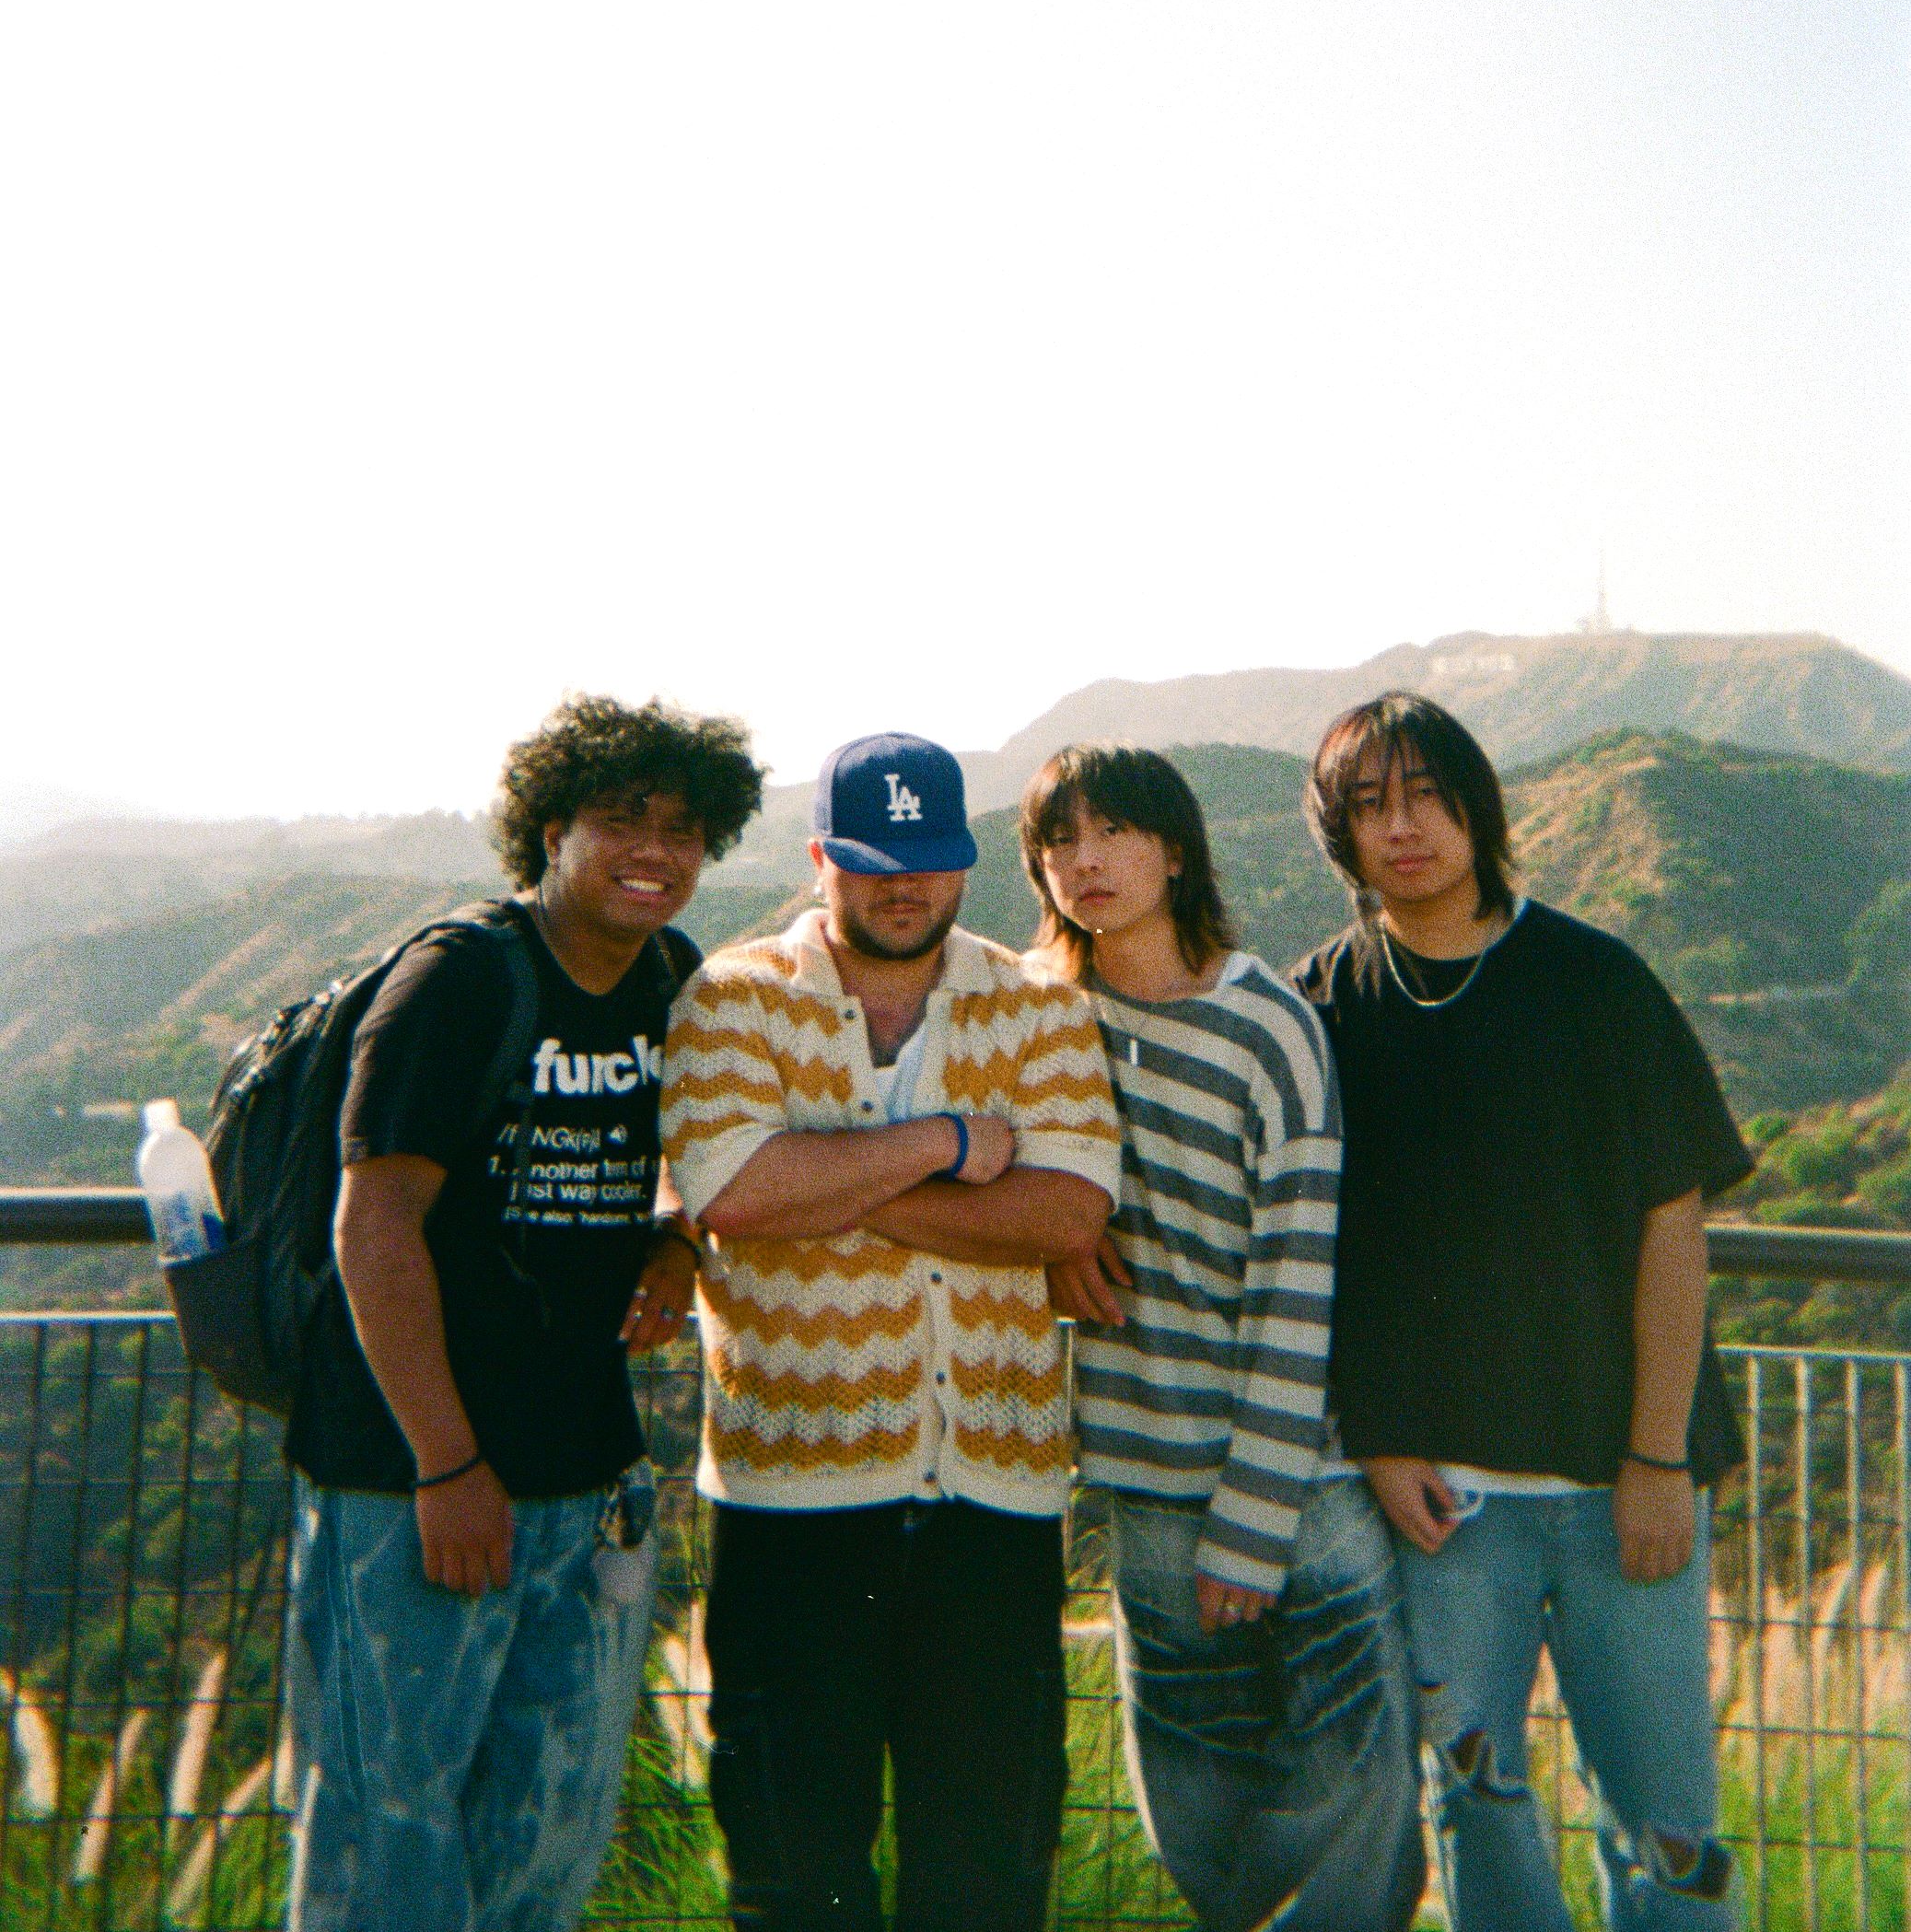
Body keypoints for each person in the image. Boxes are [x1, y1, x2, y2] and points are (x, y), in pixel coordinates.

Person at [283, 692, 764, 1932]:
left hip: (581, 1474)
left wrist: (669, 1239)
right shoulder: (458, 980)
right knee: (388, 1841)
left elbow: (686, 1152)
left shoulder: (671, 977)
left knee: (547, 1839)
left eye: (684, 827)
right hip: (410, 1482)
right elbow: (372, 1226)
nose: (655, 851)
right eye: (619, 820)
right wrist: (447, 1463)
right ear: (547, 828)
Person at [1295, 692, 1752, 1932]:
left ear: (1478, 810)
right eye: (1371, 804)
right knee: (1475, 1805)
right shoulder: (1322, 1008)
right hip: (1445, 1507)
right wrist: (1380, 1437)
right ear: (1340, 834)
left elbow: (1675, 1225)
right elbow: (1317, 1253)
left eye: (1430, 794)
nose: (1406, 827)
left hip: (1624, 1489)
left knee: (1664, 1819)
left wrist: (1658, 1457)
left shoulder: (1593, 981)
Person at [659, 730, 1123, 1932]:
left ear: (966, 864)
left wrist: (839, 1189)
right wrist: (949, 1150)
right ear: (821, 857)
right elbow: (735, 1194)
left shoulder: (1038, 1004)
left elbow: (1068, 1207)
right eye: (872, 862)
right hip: (788, 1505)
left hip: (996, 1507)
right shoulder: (734, 996)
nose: (902, 887)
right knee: (791, 1877)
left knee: (984, 1881)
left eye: (926, 860)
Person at [1031, 744, 1425, 1932]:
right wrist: (1053, 1239)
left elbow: (1296, 1283)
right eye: (1061, 839)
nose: (1087, 862)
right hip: (1143, 1484)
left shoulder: (1268, 1028)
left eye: (1117, 833)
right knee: (1201, 1825)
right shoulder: (1040, 1019)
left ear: (1178, 849)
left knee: (1363, 1821)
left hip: (1298, 1487)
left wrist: (1251, 1525)